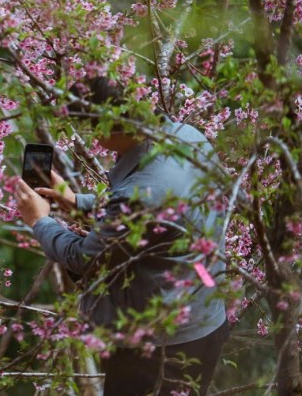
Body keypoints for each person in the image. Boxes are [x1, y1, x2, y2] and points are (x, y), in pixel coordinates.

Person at [12, 77, 229, 395]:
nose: (93, 139)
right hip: (207, 313)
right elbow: (159, 215)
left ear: (105, 129)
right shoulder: (187, 135)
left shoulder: (140, 194)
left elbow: (84, 256)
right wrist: (76, 201)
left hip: (161, 344)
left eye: (92, 129)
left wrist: (39, 221)